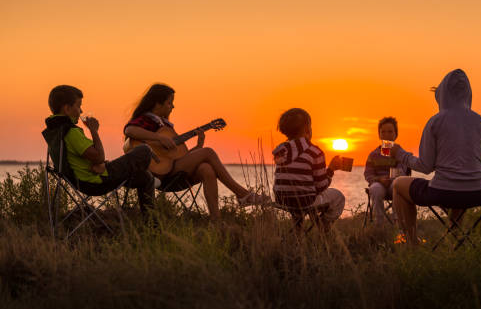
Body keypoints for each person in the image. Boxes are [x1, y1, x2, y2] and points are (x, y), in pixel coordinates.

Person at [123, 84, 269, 221]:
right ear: (157, 103)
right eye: (169, 102)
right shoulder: (147, 120)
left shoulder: (166, 127)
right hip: (155, 175)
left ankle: (216, 221)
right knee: (209, 152)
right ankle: (242, 194)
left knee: (206, 169)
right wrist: (158, 138)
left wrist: (198, 146)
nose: (173, 106)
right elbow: (129, 130)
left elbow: (179, 158)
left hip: (172, 174)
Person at [390, 69, 481, 244]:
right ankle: (454, 243)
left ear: (443, 95)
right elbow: (476, 160)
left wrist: (401, 155)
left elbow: (425, 167)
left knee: (398, 184)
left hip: (444, 193)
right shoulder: (480, 121)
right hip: (478, 193)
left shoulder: (436, 121)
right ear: (468, 94)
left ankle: (412, 244)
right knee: (458, 189)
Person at [44, 85, 159, 216]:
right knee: (144, 150)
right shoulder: (70, 132)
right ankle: (157, 175)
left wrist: (100, 164)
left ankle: (152, 226)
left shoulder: (55, 130)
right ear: (67, 108)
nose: (81, 111)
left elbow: (85, 159)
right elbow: (99, 156)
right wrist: (94, 131)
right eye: (78, 106)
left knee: (145, 178)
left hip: (87, 178)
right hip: (96, 181)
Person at [272, 108, 346, 231]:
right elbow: (321, 187)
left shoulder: (280, 151)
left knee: (301, 193)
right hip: (305, 201)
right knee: (338, 197)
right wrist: (331, 170)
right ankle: (323, 225)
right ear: (307, 129)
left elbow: (294, 176)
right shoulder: (315, 152)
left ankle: (298, 232)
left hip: (282, 198)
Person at [364, 117, 411, 226]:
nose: (386, 135)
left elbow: (402, 172)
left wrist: (390, 180)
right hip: (379, 184)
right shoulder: (373, 154)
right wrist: (379, 179)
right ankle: (379, 223)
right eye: (383, 132)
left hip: (394, 184)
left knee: (397, 186)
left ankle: (398, 222)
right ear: (379, 134)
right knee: (375, 189)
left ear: (396, 134)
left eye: (390, 132)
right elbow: (368, 174)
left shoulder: (400, 153)